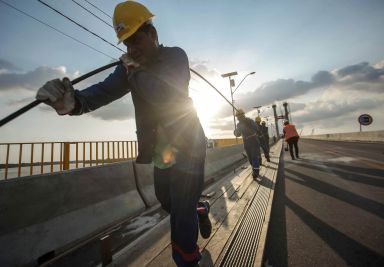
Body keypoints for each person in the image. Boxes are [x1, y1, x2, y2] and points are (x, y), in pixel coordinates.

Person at [36, 1, 211, 266]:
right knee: (167, 200)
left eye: (136, 40)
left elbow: (166, 94)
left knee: (181, 208)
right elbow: (103, 91)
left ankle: (187, 258)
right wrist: (73, 102)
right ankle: (200, 209)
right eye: (127, 43)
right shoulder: (129, 68)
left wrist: (134, 71)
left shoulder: (175, 56)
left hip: (189, 144)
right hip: (162, 151)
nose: (132, 48)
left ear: (153, 35)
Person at [234, 109, 261, 179]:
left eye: (238, 116)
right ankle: (255, 169)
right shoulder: (239, 124)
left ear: (242, 115)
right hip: (246, 142)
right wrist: (235, 133)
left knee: (254, 156)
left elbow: (256, 128)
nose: (238, 118)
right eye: (237, 117)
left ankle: (256, 172)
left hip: (253, 140)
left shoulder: (249, 121)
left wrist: (249, 126)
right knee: (250, 158)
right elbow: (239, 134)